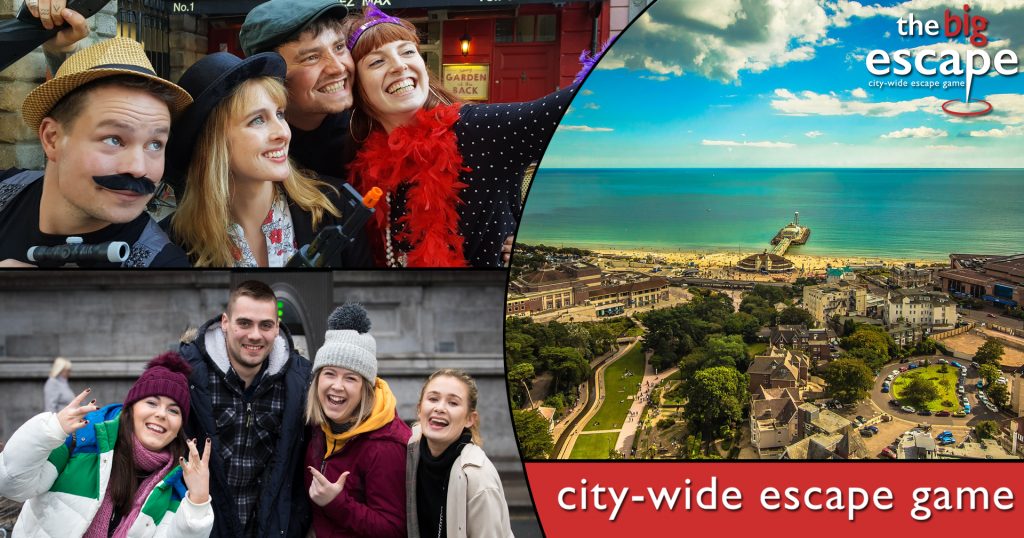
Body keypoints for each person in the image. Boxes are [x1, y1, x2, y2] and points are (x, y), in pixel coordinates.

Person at [342, 6, 589, 267]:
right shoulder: (362, 165)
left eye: (407, 52)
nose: (399, 66)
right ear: (356, 88)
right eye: (377, 62)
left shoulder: (477, 129)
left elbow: (578, 106)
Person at [163, 52, 370, 267]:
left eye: (280, 114)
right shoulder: (174, 243)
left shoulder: (337, 207)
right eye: (258, 120)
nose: (282, 132)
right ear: (213, 143)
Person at [0, 37, 192, 267]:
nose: (139, 169)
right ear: (52, 139)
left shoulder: (161, 264)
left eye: (155, 144)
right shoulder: (6, 190)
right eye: (114, 140)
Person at [0, 352, 213, 537]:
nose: (160, 414)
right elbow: (12, 485)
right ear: (130, 409)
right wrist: (50, 429)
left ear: (179, 426)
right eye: (151, 402)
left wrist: (198, 501)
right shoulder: (81, 440)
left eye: (173, 410)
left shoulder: (174, 483)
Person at [179, 280, 312, 537]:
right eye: (244, 323)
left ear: (276, 329)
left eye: (265, 325)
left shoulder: (300, 380)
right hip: (201, 527)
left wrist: (296, 524)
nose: (255, 335)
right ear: (225, 322)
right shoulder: (186, 371)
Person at [304, 303, 410, 537]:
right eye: (329, 373)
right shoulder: (321, 428)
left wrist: (336, 503)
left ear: (366, 389)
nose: (337, 386)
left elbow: (394, 528)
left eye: (350, 378)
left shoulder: (385, 445)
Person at [239, 0, 354, 180]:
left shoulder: (374, 122)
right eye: (312, 57)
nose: (338, 68)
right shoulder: (248, 150)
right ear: (271, 76)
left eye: (339, 47)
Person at [406, 369, 513, 537]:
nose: (439, 408)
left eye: (453, 403)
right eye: (433, 399)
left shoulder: (479, 478)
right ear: (419, 409)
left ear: (470, 419)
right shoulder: (410, 449)